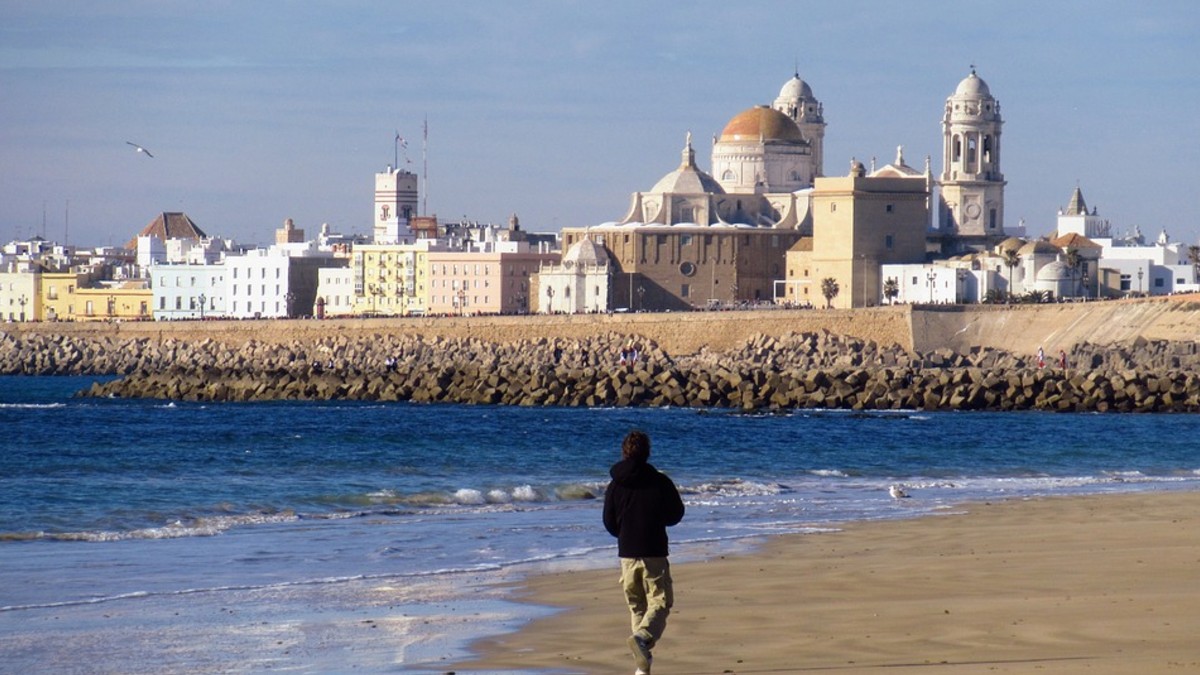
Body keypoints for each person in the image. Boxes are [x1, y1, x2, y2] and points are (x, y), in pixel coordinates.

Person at [603, 430, 686, 674]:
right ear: (647, 453)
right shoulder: (660, 481)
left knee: (637, 605)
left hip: (627, 552)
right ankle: (644, 638)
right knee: (660, 602)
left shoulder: (616, 484)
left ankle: (642, 665)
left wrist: (625, 533)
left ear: (624, 451)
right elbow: (676, 514)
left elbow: (608, 521)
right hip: (653, 550)